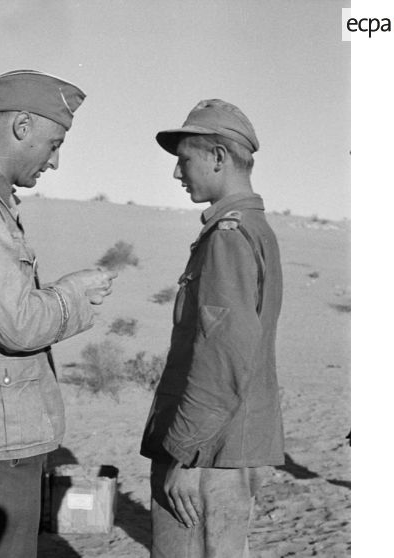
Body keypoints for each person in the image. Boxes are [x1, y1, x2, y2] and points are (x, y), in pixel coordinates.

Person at [0, 69, 116, 558]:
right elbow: (18, 323)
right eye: (53, 144)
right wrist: (73, 294)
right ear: (22, 125)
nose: (54, 162)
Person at [140, 99, 285, 558]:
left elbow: (222, 358)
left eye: (185, 160)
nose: (178, 174)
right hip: (224, 446)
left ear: (218, 157)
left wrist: (185, 454)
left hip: (205, 452)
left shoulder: (229, 237)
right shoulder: (253, 229)